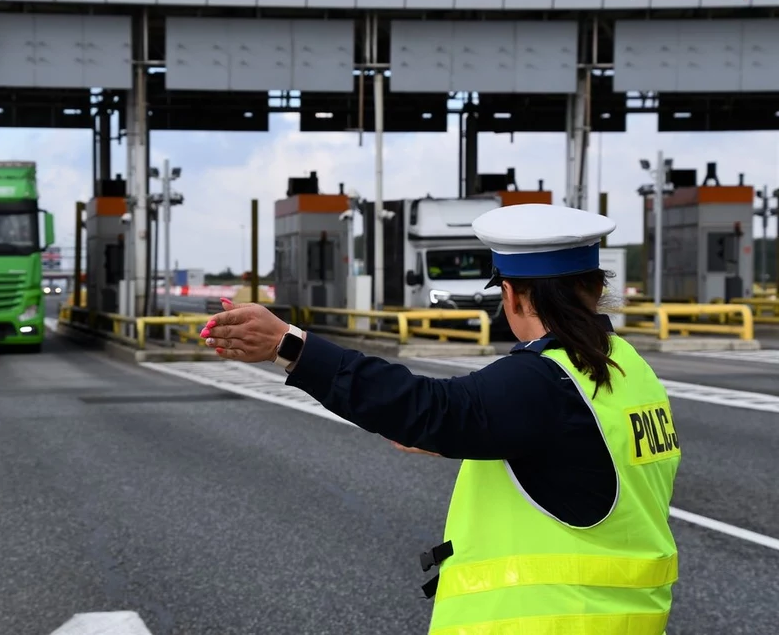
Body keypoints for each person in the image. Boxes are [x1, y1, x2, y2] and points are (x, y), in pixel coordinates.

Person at [200, 203, 681, 635]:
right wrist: (462, 433)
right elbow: (577, 453)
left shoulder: (545, 381)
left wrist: (290, 347)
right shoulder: (629, 369)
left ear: (511, 296)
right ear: (596, 288)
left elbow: (432, 407)